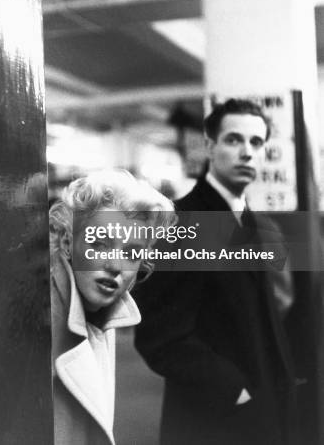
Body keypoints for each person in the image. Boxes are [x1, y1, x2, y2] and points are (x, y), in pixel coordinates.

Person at [134, 99, 296, 445]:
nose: (247, 152)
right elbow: (159, 337)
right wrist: (233, 389)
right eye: (234, 140)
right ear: (210, 146)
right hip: (213, 419)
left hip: (263, 409)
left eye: (256, 142)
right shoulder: (183, 221)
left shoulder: (253, 222)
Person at [49, 169, 174, 445]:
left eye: (131, 253)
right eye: (100, 244)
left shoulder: (101, 313)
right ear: (69, 243)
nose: (115, 266)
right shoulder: (42, 325)